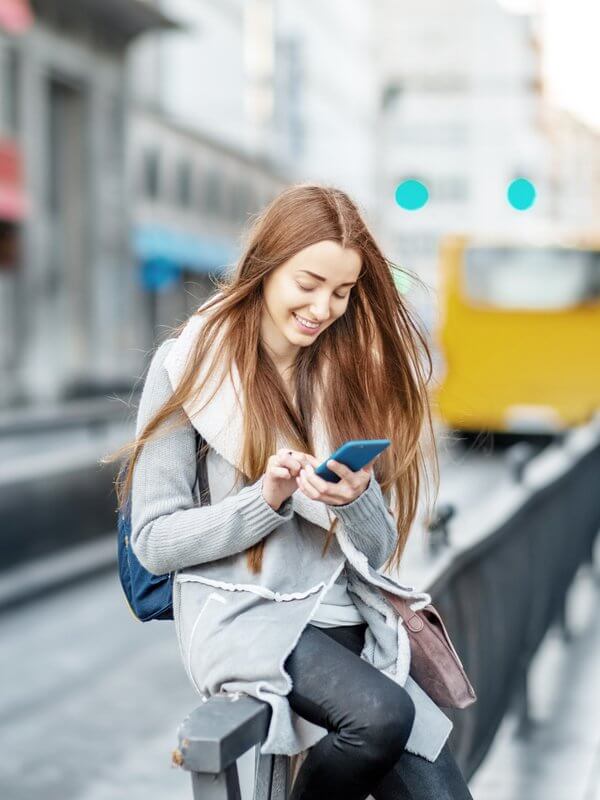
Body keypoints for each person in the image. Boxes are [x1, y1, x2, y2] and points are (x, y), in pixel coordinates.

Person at [104, 183, 474, 799]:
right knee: (381, 717)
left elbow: (376, 550)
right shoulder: (189, 365)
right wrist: (265, 501)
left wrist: (354, 497)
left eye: (342, 292)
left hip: (350, 616)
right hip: (248, 614)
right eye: (309, 284)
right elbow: (152, 543)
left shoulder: (339, 371)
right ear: (268, 266)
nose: (323, 307)